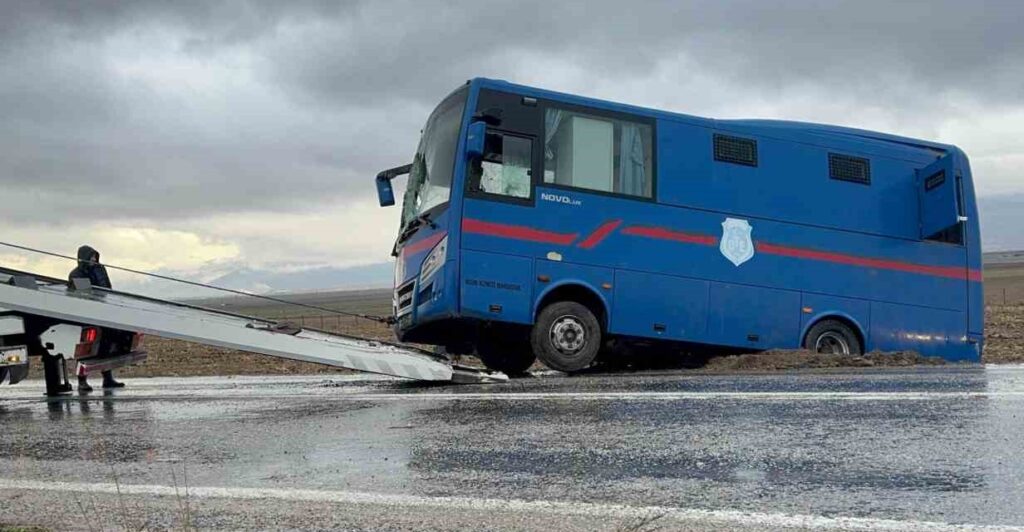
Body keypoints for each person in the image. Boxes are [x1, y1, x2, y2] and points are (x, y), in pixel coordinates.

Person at [68, 245, 124, 391]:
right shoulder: (76, 274)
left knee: (106, 343)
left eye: (95, 256)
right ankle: (82, 381)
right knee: (85, 349)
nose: (93, 259)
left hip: (104, 312)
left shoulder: (100, 269)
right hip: (86, 315)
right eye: (91, 256)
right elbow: (81, 295)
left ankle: (107, 377)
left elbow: (107, 287)